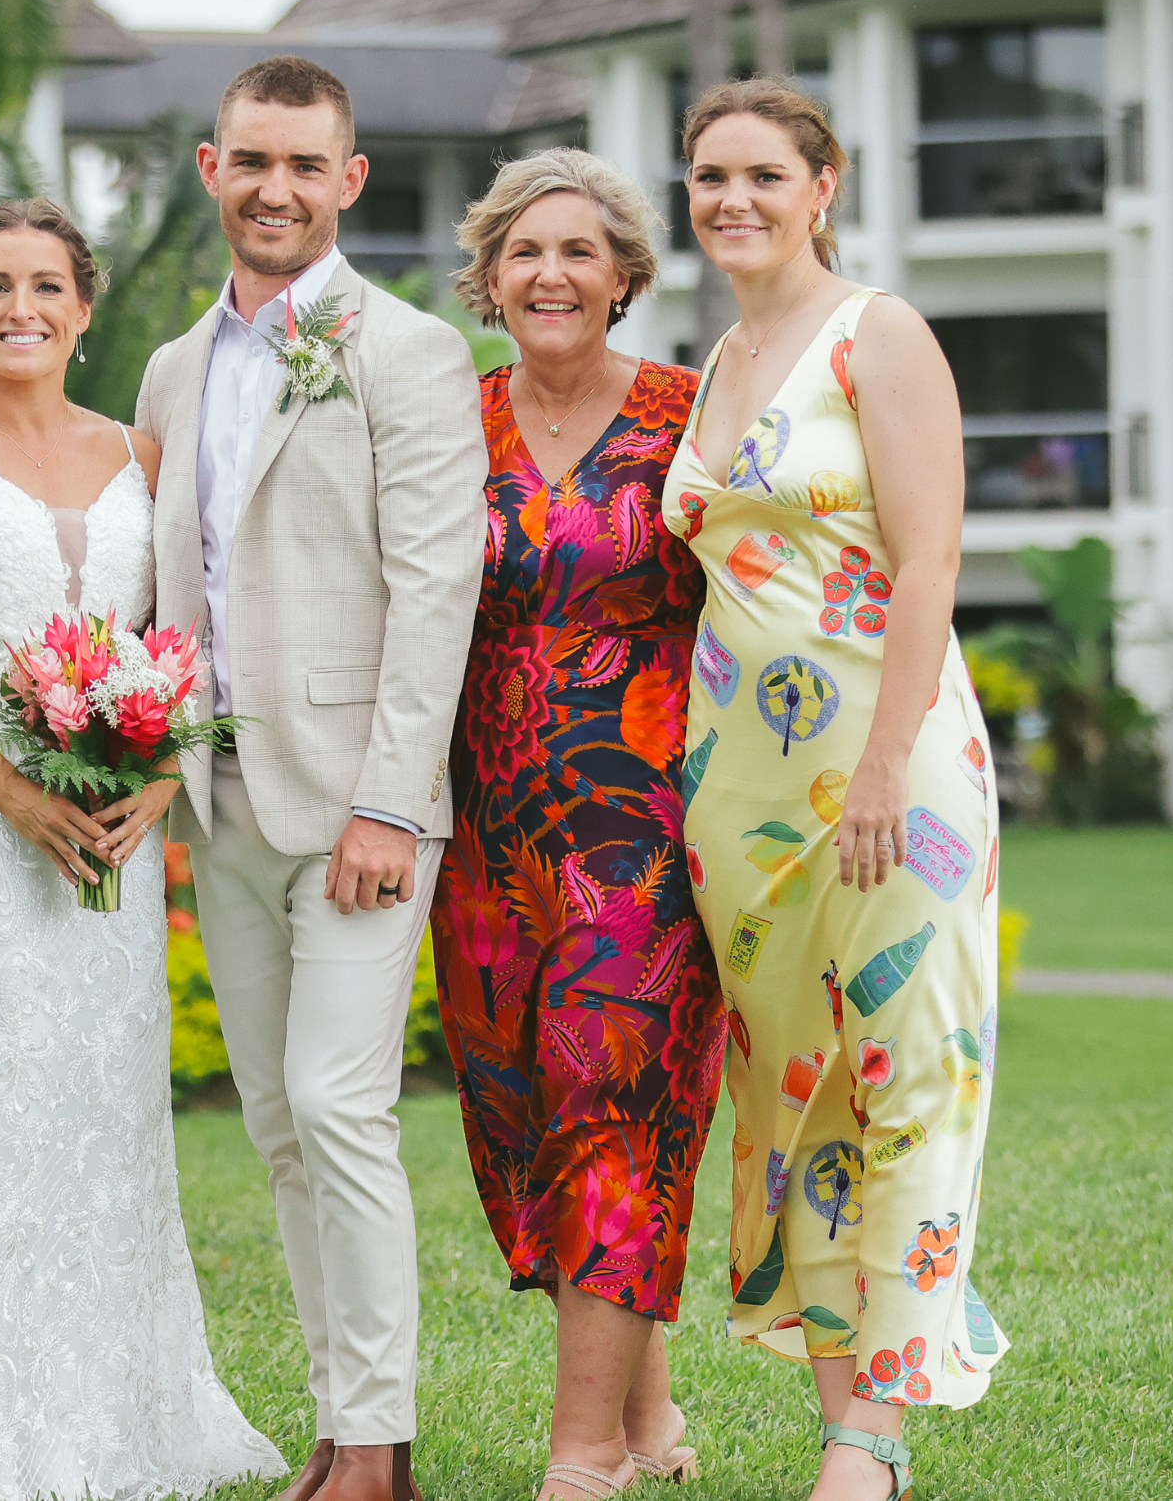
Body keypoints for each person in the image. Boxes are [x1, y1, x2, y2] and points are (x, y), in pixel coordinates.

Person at [0, 197, 287, 1501]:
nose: (20, 308)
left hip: (118, 814)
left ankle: (132, 1406)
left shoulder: (147, 453)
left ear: (85, 309)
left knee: (108, 1093)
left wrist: (155, 783)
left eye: (46, 285)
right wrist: (14, 794)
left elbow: (200, 633)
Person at [135, 56, 487, 1501]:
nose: (275, 187)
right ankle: (342, 1421)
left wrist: (390, 800)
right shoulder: (168, 366)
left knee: (339, 1104)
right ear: (212, 170)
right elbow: (176, 585)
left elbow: (437, 583)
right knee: (278, 1120)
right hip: (223, 803)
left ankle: (377, 1447)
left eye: (307, 163)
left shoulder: (406, 351)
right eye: (251, 160)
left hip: (361, 804)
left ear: (349, 180)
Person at [658, 78, 1008, 1501]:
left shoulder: (881, 335)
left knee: (910, 1068)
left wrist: (879, 764)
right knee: (789, 1096)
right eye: (705, 178)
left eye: (758, 173)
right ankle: (839, 1418)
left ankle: (872, 1442)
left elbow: (928, 561)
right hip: (738, 793)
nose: (729, 199)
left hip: (893, 768)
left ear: (824, 185)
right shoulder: (721, 360)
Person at [432, 149, 720, 1500]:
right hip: (482, 833)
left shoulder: (690, 412)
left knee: (611, 1103)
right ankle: (648, 1408)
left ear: (623, 275)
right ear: (489, 275)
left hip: (640, 829)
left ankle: (584, 1450)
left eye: (580, 251)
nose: (551, 274)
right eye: (525, 252)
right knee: (526, 1120)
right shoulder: (449, 418)